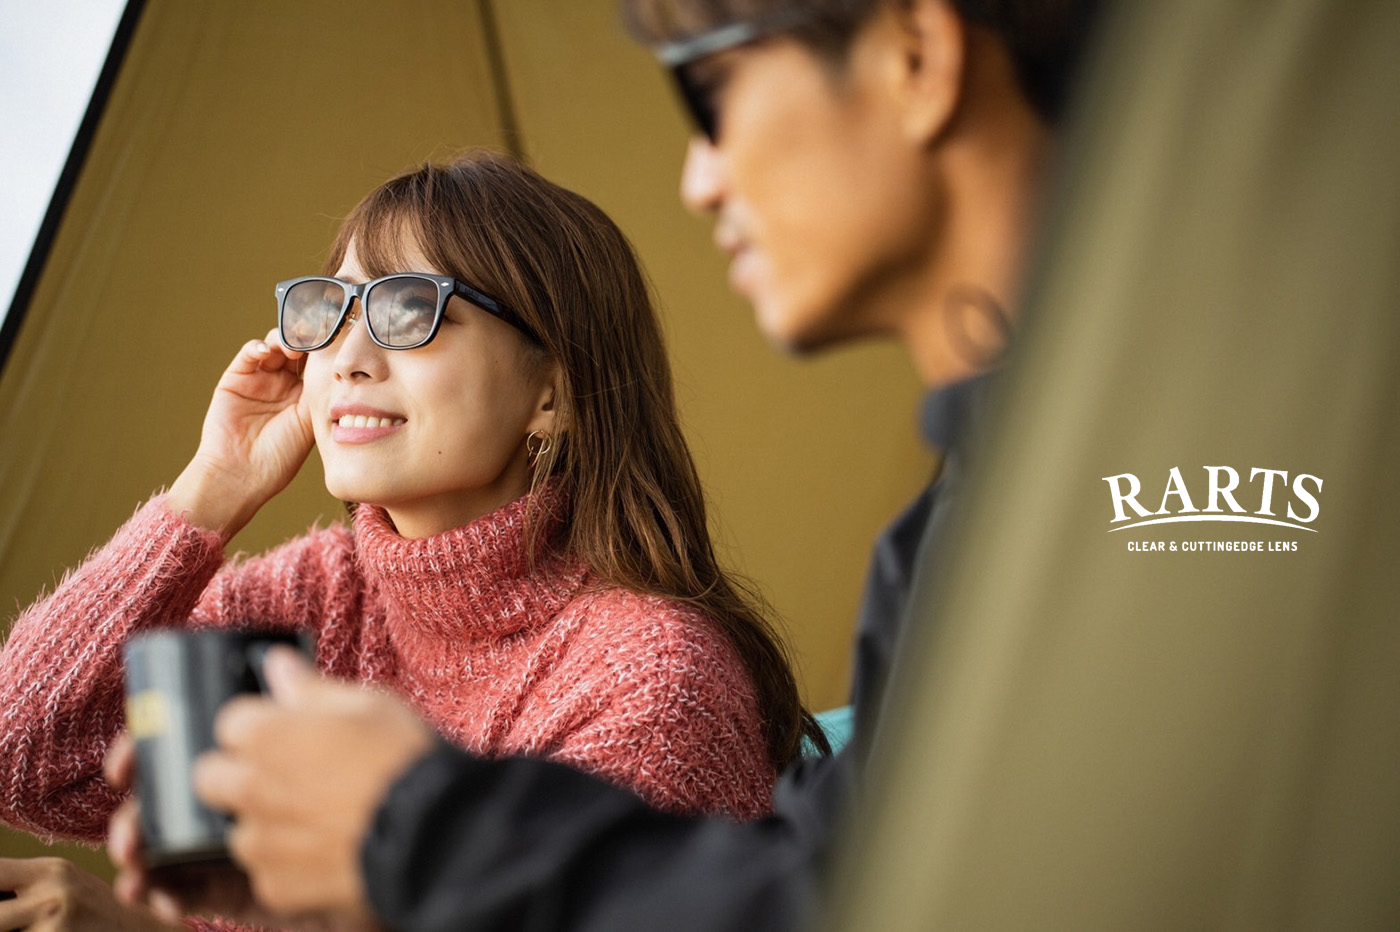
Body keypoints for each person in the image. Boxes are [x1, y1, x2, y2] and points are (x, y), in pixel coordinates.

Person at [105, 0, 1100, 928]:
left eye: (707, 92)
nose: (697, 180)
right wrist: (211, 490)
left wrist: (408, 827)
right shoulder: (947, 547)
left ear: (917, 59)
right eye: (334, 308)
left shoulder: (1105, 523)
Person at [0, 151, 826, 929]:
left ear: (553, 394)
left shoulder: (648, 684)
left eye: (409, 309)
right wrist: (212, 487)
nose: (348, 356)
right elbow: (24, 755)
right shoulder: (320, 595)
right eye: (333, 309)